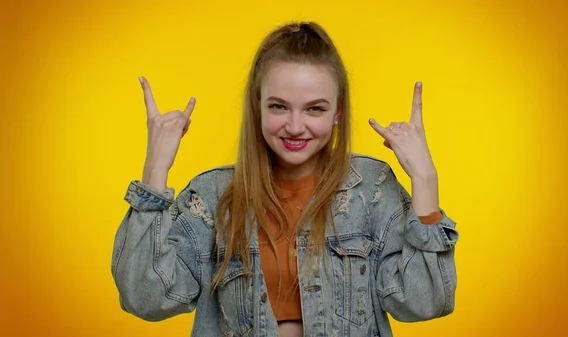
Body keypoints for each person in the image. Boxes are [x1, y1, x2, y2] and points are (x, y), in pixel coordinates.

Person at [111, 21, 458, 337]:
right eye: (278, 106)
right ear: (257, 105)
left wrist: (425, 180)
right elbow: (146, 299)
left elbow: (424, 304)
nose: (294, 126)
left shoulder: (371, 189)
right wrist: (155, 171)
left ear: (338, 112)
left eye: (315, 109)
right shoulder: (212, 196)